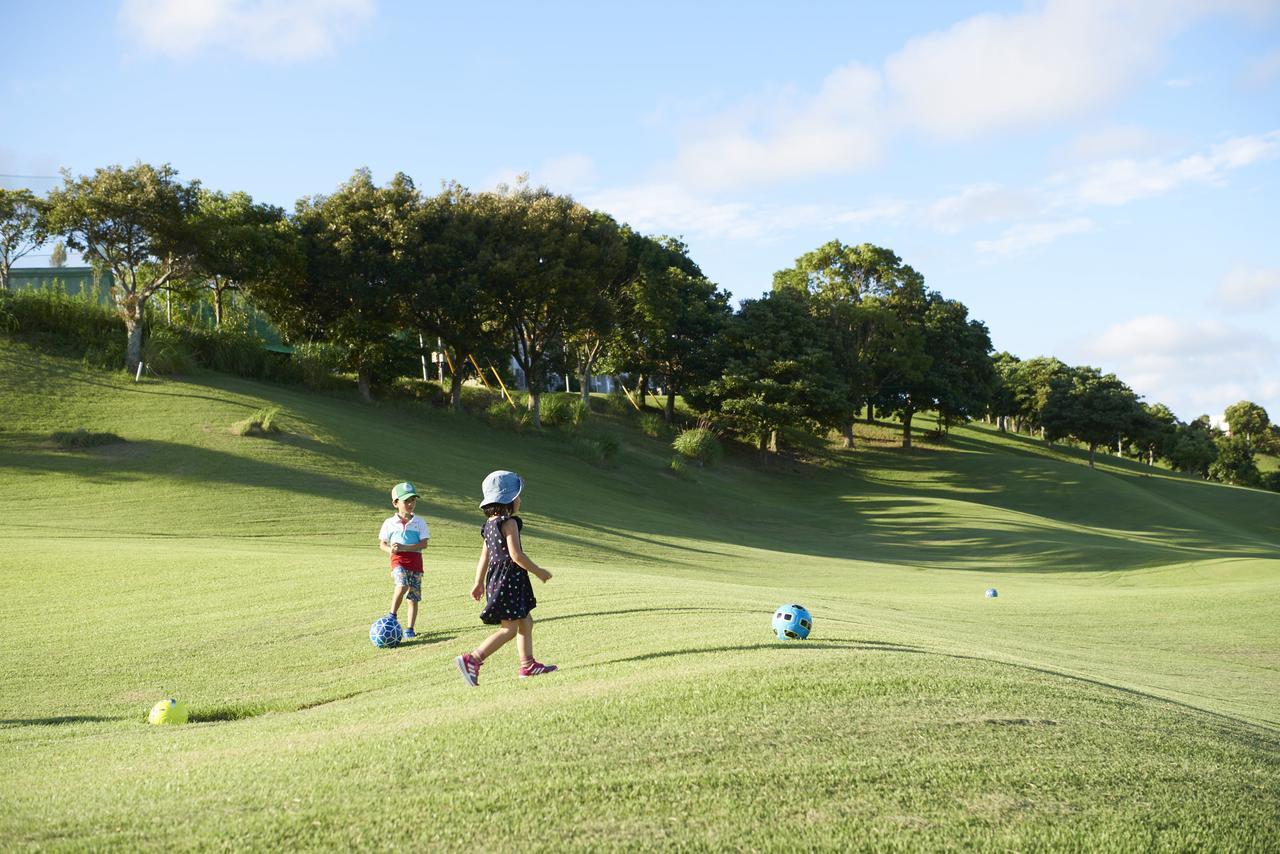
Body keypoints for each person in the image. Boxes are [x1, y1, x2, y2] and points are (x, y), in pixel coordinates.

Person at [456, 470, 554, 686]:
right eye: (517, 496)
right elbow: (516, 555)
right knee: (509, 628)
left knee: (525, 620)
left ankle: (528, 665)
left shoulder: (489, 525)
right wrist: (538, 571)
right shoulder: (509, 523)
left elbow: (485, 556)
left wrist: (478, 582)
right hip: (509, 579)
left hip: (498, 579)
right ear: (508, 499)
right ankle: (473, 659)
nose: (520, 500)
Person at [379, 481, 430, 640]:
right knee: (402, 584)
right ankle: (392, 615)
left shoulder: (420, 522)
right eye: (406, 501)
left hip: (415, 562)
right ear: (395, 503)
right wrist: (391, 550)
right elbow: (382, 544)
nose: (410, 504)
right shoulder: (389, 523)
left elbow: (424, 544)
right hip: (398, 560)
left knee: (413, 598)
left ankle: (410, 629)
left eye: (413, 500)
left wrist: (405, 547)